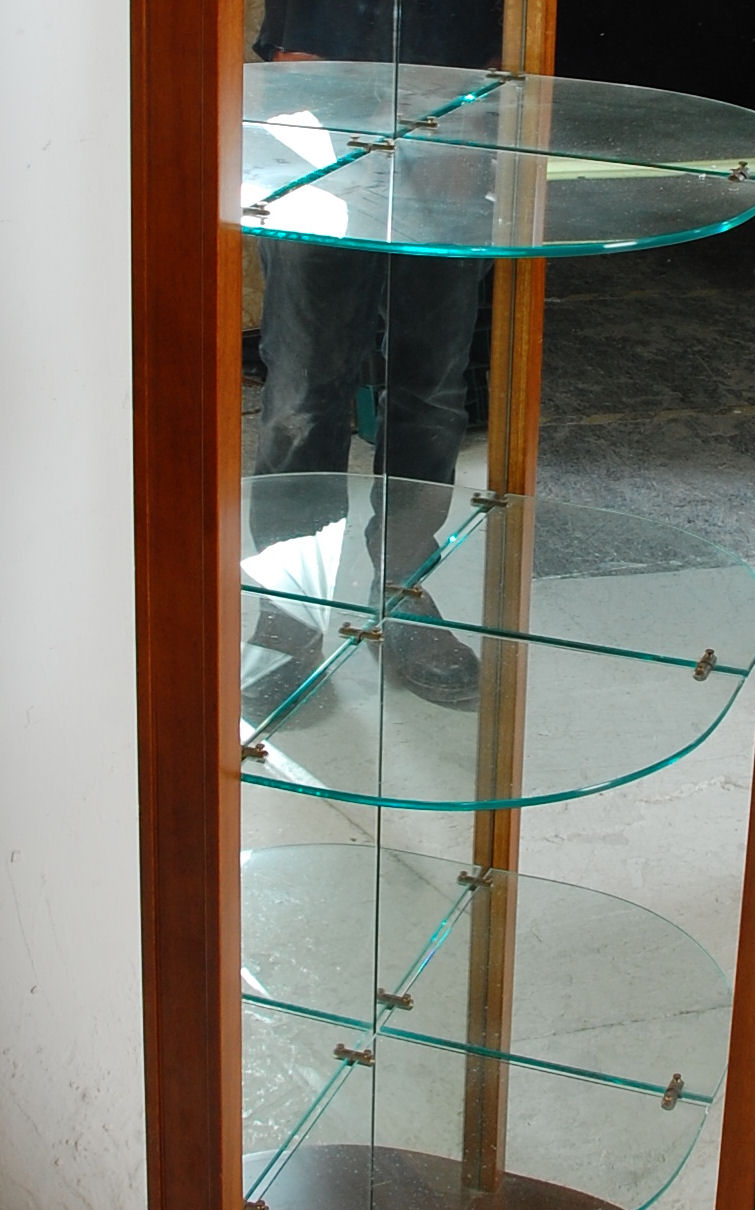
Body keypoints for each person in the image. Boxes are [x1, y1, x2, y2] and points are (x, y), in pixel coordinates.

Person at [244, 0, 503, 718]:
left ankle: (403, 590)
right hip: (316, 119)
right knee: (301, 395)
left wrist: (479, 114)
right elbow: (286, 48)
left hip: (457, 124)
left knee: (431, 389)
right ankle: (289, 609)